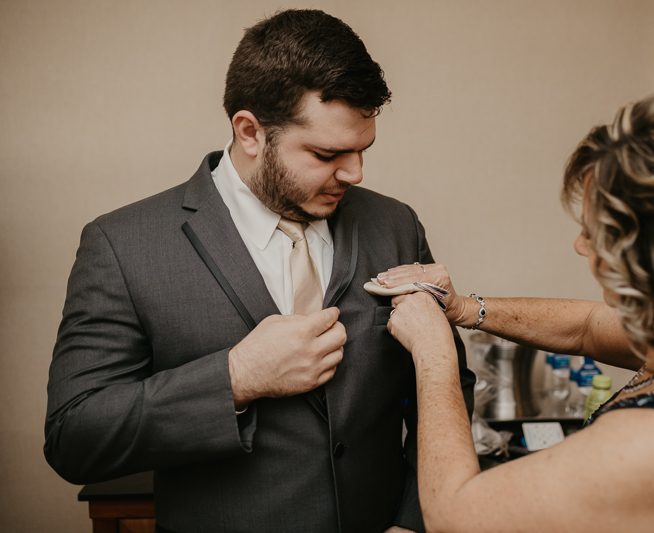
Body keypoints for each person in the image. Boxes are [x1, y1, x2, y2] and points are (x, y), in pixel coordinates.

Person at [44, 9, 474, 533]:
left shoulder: (394, 224)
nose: (356, 174)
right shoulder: (122, 245)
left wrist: (414, 519)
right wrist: (235, 379)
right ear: (250, 132)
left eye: (363, 150)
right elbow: (75, 437)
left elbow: (448, 380)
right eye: (326, 153)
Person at [382, 84, 654, 533]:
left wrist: (434, 353)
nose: (580, 245)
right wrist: (464, 309)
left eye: (594, 229)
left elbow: (454, 514)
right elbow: (588, 327)